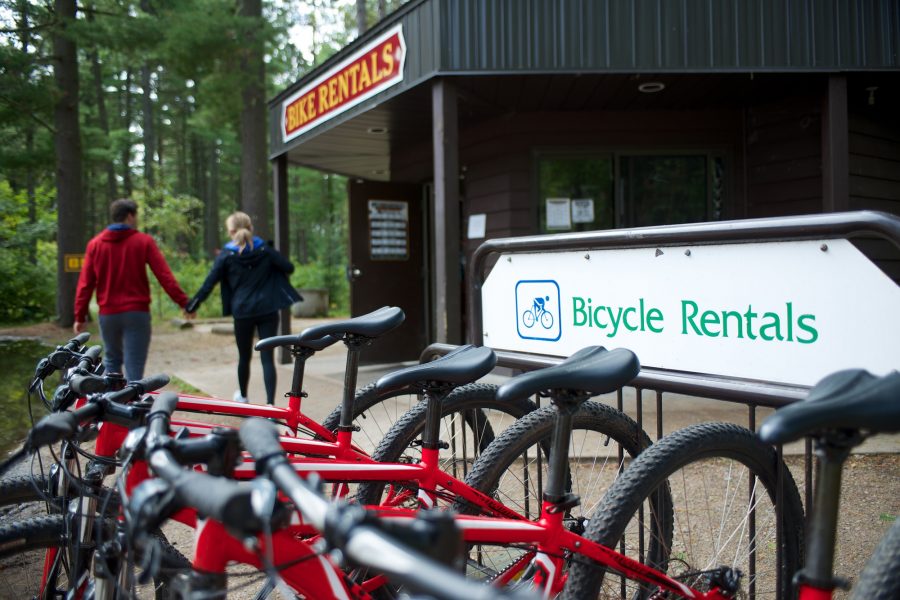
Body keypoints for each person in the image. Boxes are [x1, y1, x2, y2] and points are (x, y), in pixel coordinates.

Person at [185, 211, 300, 405]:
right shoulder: (265, 250)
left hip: (242, 311)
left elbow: (208, 283)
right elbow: (288, 267)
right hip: (268, 309)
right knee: (267, 358)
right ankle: (271, 404)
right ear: (250, 228)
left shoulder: (226, 256)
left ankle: (243, 398)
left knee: (244, 357)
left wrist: (192, 305)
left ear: (230, 231)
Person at [74, 198, 193, 381]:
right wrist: (184, 303)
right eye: (136, 216)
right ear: (130, 216)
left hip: (108, 314)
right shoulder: (143, 241)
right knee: (134, 367)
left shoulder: (95, 244)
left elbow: (85, 284)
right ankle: (131, 406)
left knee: (112, 362)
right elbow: (164, 276)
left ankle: (112, 407)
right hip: (137, 314)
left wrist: (79, 316)